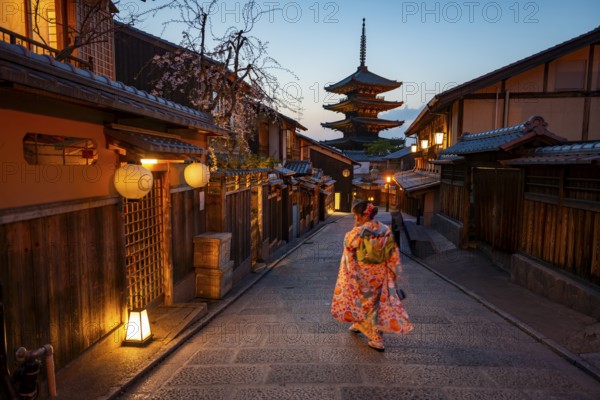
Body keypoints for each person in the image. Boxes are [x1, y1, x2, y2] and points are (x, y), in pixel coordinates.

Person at [331, 200, 413, 351]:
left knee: (365, 304)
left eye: (355, 215)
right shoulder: (384, 229)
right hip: (380, 273)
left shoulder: (356, 232)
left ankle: (377, 339)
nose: (354, 218)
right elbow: (392, 252)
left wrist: (350, 273)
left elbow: (348, 251)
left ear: (361, 216)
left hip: (362, 275)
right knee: (374, 303)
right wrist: (393, 273)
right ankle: (358, 324)